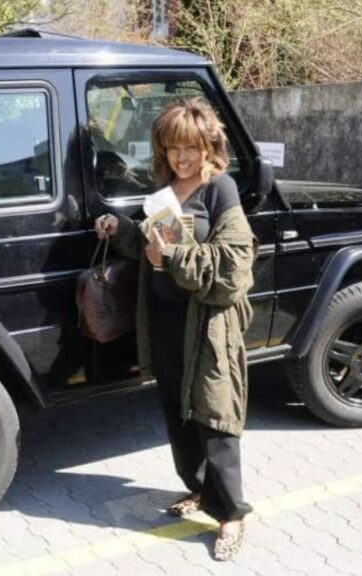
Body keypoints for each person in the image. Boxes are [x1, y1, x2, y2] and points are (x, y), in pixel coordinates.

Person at [94, 97, 258, 562]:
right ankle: (200, 491)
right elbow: (152, 243)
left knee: (214, 415)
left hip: (206, 326)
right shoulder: (165, 193)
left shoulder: (220, 190)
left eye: (190, 148)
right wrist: (120, 228)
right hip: (165, 323)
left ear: (209, 146)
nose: (181, 158)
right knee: (178, 411)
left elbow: (233, 268)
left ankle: (232, 514)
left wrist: (172, 257)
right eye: (172, 149)